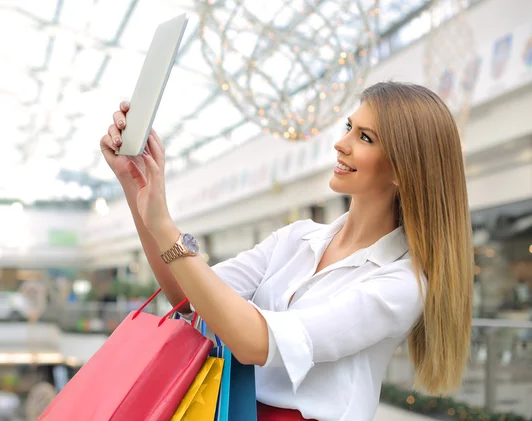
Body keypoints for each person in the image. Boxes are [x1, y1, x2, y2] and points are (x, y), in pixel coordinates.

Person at [99, 81, 474, 421]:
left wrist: (165, 225)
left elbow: (255, 343)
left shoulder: (401, 284)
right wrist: (136, 185)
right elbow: (187, 295)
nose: (340, 143)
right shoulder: (297, 239)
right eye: (348, 127)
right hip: (233, 410)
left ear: (401, 170)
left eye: (365, 137)